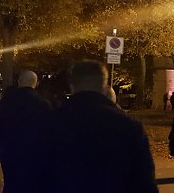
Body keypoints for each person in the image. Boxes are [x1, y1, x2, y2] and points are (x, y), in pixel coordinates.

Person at [42, 60, 158, 193]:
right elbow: (144, 182)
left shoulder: (49, 122)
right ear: (105, 86)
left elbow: (34, 173)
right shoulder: (129, 127)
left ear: (71, 85)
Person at [0, 70, 52, 193]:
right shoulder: (43, 104)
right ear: (36, 83)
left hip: (10, 154)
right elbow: (49, 131)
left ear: (19, 82)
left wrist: (0, 147)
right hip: (34, 156)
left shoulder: (7, 103)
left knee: (11, 185)